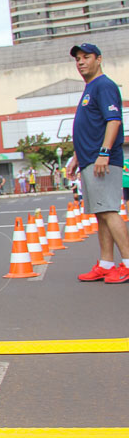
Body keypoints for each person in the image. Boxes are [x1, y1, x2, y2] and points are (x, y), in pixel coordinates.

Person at [66, 42, 129, 283]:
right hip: (90, 160)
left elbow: (113, 121)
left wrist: (104, 153)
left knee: (110, 211)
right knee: (101, 214)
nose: (81, 62)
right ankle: (105, 264)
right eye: (77, 59)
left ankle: (127, 262)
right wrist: (76, 158)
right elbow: (89, 129)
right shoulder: (90, 88)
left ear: (99, 59)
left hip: (103, 160)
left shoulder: (104, 85)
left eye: (86, 57)